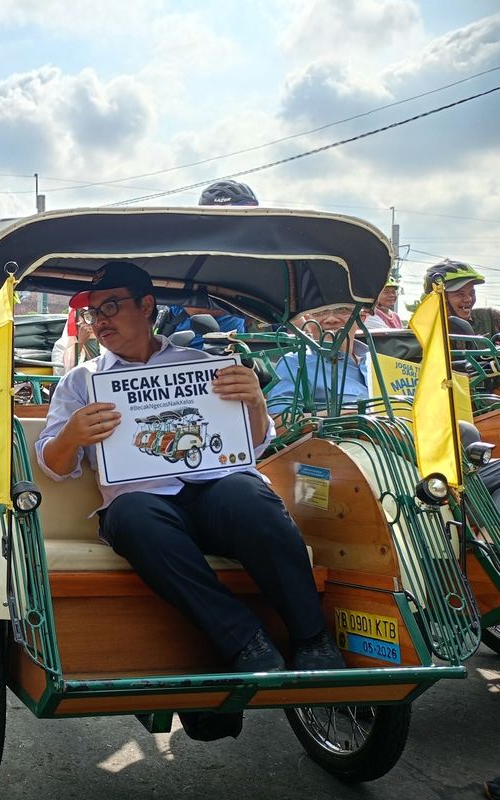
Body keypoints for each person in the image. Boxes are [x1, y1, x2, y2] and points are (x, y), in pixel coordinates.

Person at [36, 262, 343, 737]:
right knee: (133, 513)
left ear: (146, 306)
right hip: (144, 509)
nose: (101, 320)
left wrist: (257, 404)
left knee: (249, 493)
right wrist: (73, 435)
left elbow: (254, 445)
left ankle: (313, 640)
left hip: (216, 496)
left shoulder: (202, 367)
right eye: (95, 312)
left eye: (112, 307)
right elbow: (54, 465)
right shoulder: (81, 381)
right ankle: (246, 640)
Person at [161, 180, 258, 346]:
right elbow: (194, 305)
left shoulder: (245, 254)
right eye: (237, 214)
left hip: (232, 347)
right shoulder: (193, 254)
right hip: (189, 349)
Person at [268, 304, 372, 413]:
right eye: (320, 311)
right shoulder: (296, 363)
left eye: (342, 309)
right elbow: (279, 421)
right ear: (308, 319)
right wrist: (347, 417)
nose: (331, 319)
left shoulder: (376, 362)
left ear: (362, 317)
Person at [424, 259, 500, 337]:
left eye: (472, 293)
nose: (469, 299)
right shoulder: (424, 333)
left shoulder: (491, 319)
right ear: (439, 298)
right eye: (460, 294)